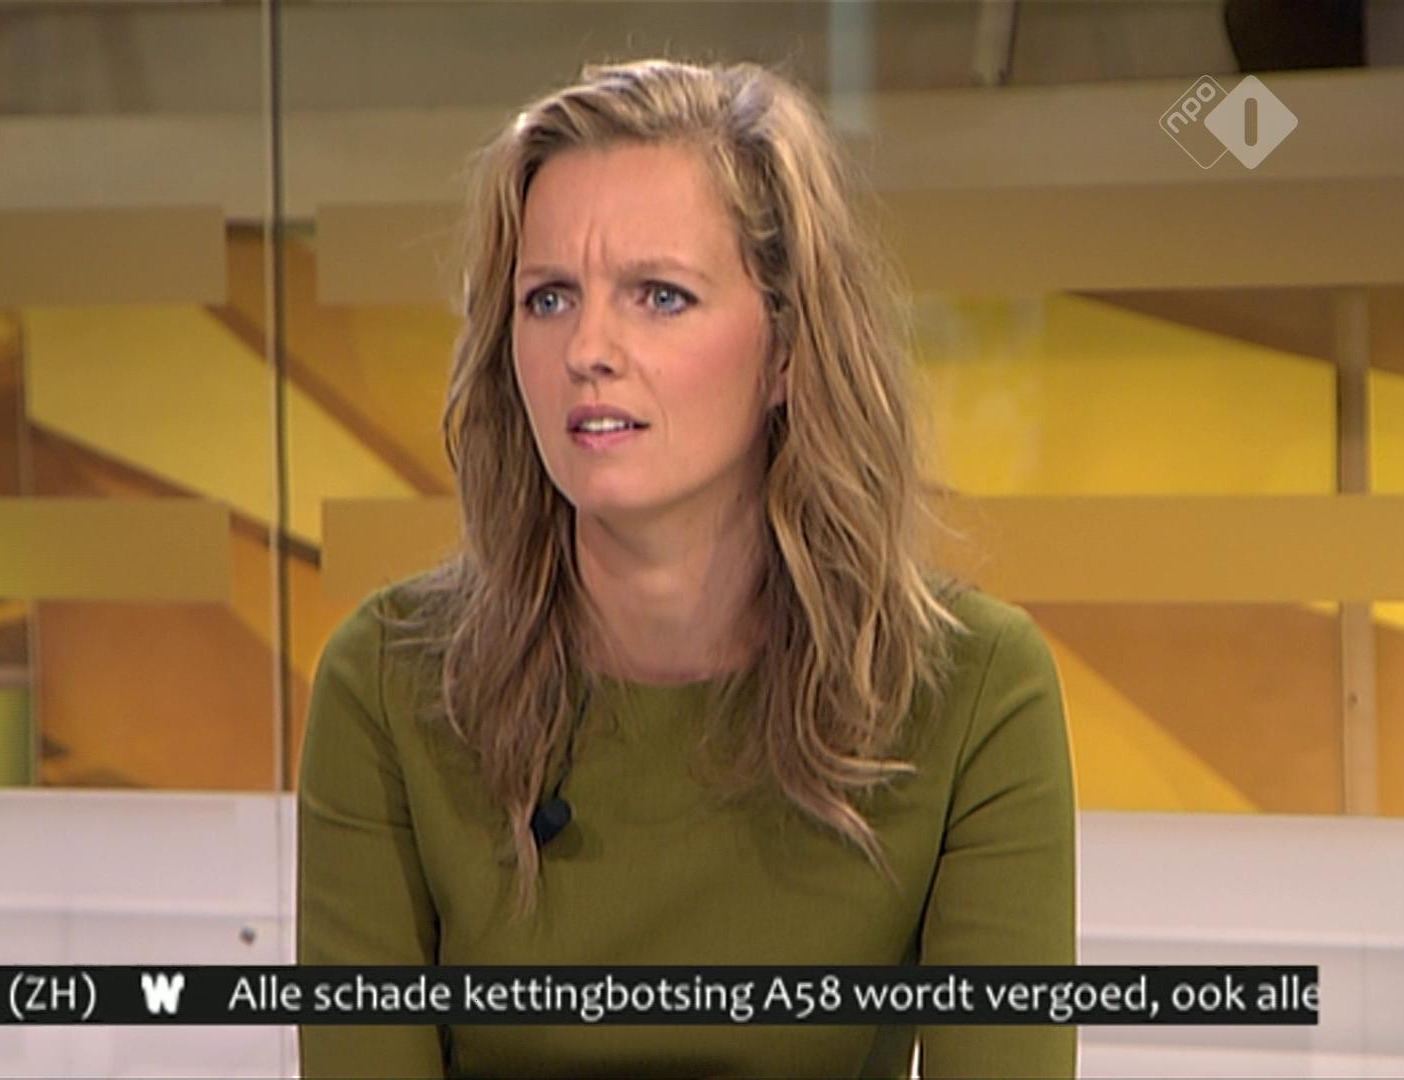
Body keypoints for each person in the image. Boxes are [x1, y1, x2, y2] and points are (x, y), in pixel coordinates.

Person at [296, 57, 1076, 1079]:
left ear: (788, 349)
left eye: (659, 296)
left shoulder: (971, 693)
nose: (588, 348)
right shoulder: (390, 683)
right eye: (549, 298)